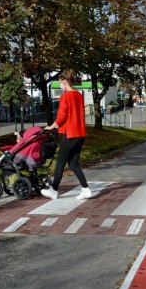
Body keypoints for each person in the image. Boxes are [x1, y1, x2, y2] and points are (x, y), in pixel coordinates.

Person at [41, 70, 92, 200]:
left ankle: (54, 190)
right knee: (73, 164)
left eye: (60, 84)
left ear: (64, 82)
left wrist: (51, 126)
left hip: (70, 134)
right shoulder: (79, 95)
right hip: (80, 134)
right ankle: (86, 189)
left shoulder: (65, 96)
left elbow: (62, 116)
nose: (60, 86)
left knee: (59, 164)